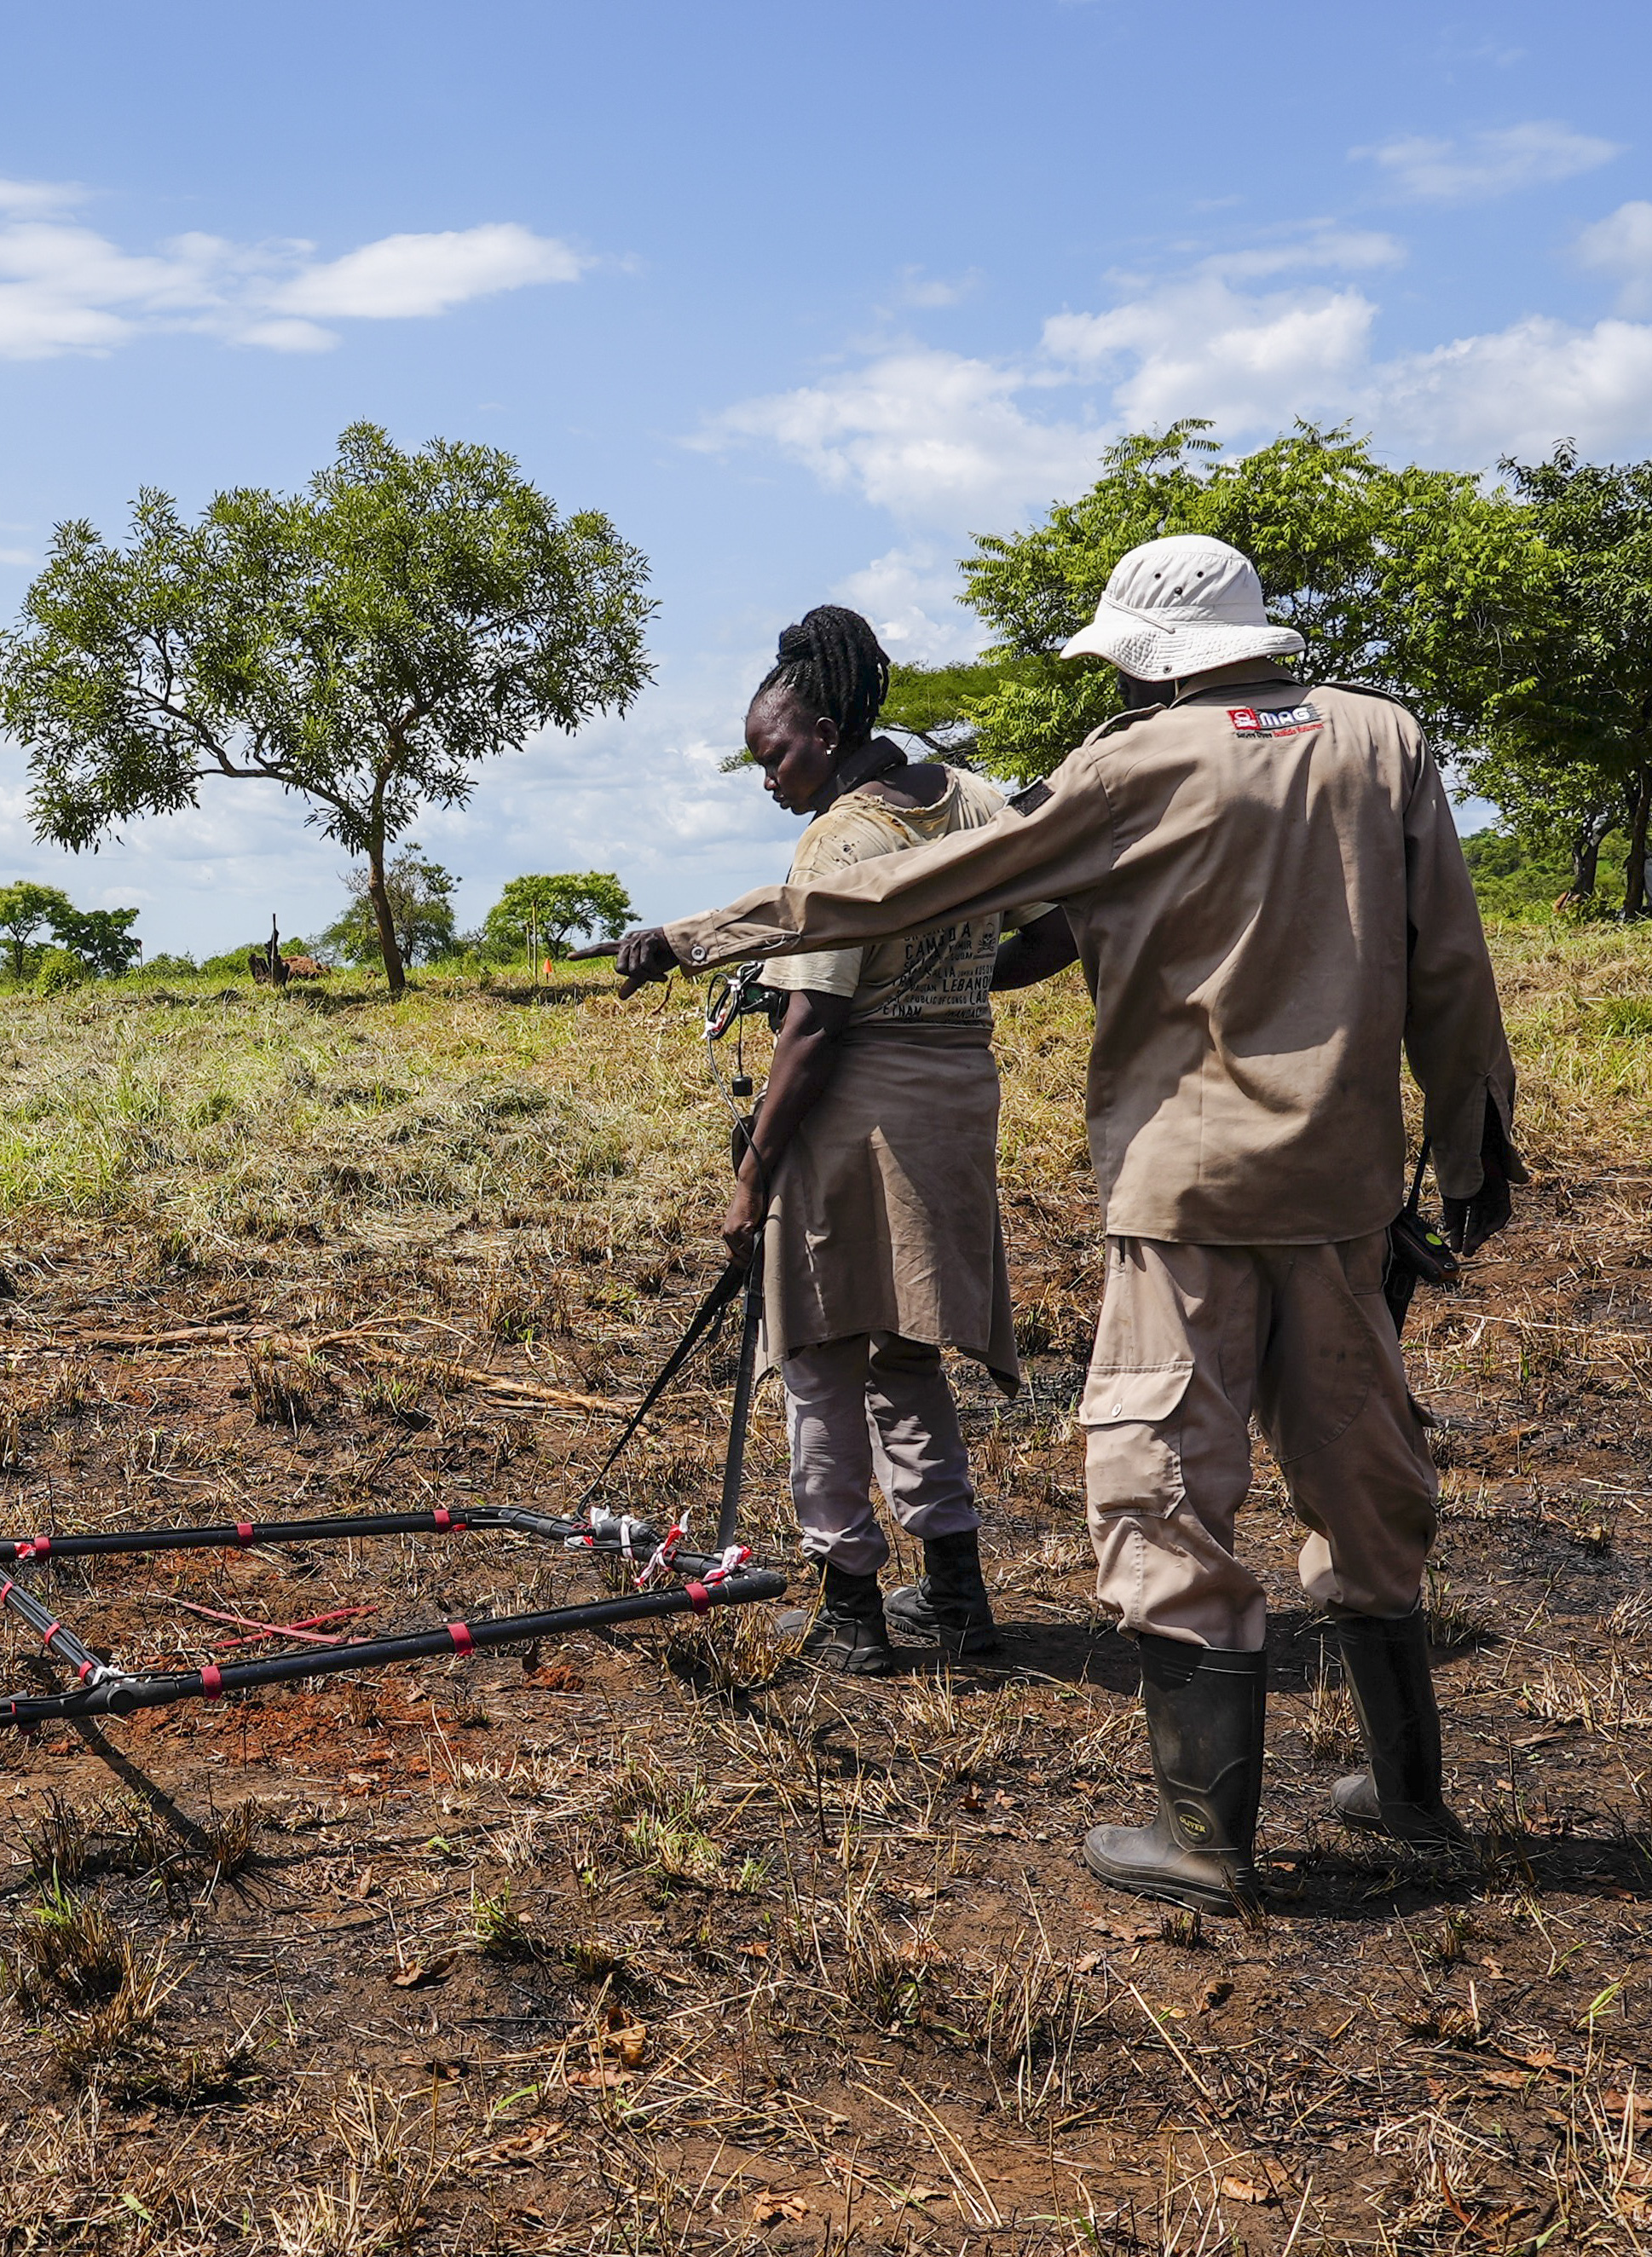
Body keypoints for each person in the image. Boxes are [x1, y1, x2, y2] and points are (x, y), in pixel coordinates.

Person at [616, 535, 1521, 1917]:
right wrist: (1471, 1148)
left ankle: (1208, 1838)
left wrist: (703, 932)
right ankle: (1410, 1801)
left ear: (1144, 654)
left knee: (1161, 1483)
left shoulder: (1132, 762)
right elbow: (1449, 958)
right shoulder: (1381, 739)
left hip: (1186, 1195)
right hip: (1346, 1192)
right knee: (1361, 1468)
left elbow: (906, 893)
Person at [719, 609, 1051, 1675]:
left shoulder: (839, 838)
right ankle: (955, 1596)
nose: (766, 778)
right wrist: (954, 987)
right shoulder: (975, 801)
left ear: (821, 729)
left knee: (816, 1353)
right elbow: (1060, 921)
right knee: (905, 1353)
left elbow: (811, 1028)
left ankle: (850, 1608)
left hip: (854, 1118)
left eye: (772, 755)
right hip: (958, 1100)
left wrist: (751, 1177)